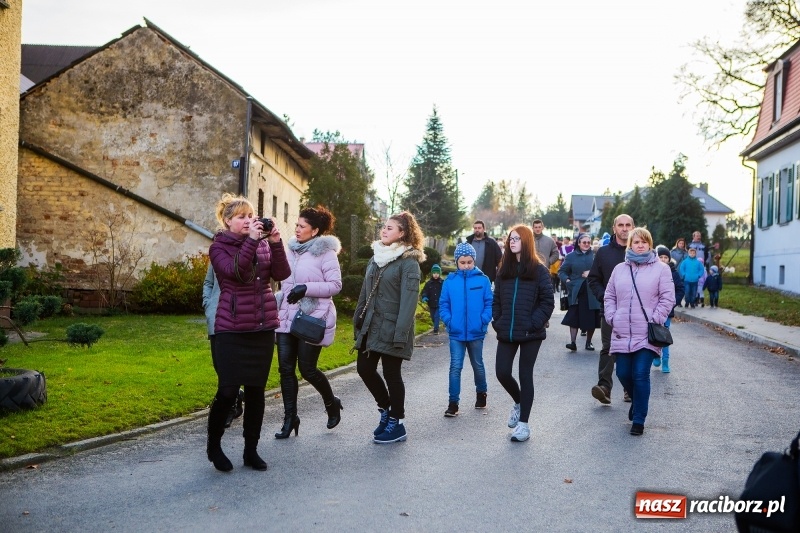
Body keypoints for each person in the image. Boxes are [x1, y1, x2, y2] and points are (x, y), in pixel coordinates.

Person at [207, 193, 290, 472]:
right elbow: (236, 272)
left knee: (256, 391)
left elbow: (282, 273)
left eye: (251, 215)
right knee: (228, 390)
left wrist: (275, 242)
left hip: (261, 327)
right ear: (227, 221)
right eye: (241, 216)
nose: (248, 220)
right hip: (231, 328)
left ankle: (250, 450)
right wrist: (252, 241)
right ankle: (214, 447)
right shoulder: (218, 247)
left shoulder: (262, 243)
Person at [354, 212, 426, 444]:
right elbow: (365, 292)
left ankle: (397, 422)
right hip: (371, 325)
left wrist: (400, 334)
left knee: (392, 374)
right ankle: (386, 409)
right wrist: (357, 320)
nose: (383, 231)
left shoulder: (409, 263)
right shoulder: (376, 257)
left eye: (390, 228)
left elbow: (409, 303)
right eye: (383, 227)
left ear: (402, 233)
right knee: (364, 368)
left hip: (394, 328)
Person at [274, 206, 343, 440]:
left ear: (314, 231)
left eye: (302, 226)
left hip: (310, 317)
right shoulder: (290, 249)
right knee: (285, 370)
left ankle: (331, 403)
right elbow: (282, 281)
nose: (297, 229)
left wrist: (306, 288)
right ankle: (290, 418)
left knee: (308, 370)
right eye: (296, 225)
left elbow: (335, 285)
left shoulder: (326, 253)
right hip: (286, 316)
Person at [604, 227, 675, 436]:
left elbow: (668, 298)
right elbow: (609, 296)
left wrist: (656, 318)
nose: (640, 245)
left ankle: (639, 419)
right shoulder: (619, 269)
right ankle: (637, 401)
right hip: (622, 331)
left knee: (641, 373)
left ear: (650, 244)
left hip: (646, 332)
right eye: (636, 242)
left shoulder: (661, 269)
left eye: (644, 242)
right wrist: (612, 316)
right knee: (622, 373)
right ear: (630, 245)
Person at [493, 224, 555, 442]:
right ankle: (519, 402)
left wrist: (533, 323)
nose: (512, 242)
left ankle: (523, 425)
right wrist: (498, 321)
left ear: (526, 242)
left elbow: (548, 302)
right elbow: (496, 300)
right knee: (502, 372)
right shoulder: (504, 270)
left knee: (525, 374)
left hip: (531, 333)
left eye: (517, 239)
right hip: (507, 330)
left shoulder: (539, 271)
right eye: (510, 239)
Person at [439, 242, 493, 416]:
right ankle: (453, 403)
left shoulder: (483, 280)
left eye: (469, 262)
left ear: (474, 261)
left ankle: (481, 393)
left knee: (477, 364)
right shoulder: (450, 281)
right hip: (456, 332)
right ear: (456, 262)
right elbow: (444, 304)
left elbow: (489, 303)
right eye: (462, 262)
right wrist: (449, 321)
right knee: (455, 367)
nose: (466, 266)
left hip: (476, 331)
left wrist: (483, 320)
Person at [587, 214, 634, 405]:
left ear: (633, 227)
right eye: (620, 225)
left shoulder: (639, 251)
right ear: (614, 228)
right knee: (608, 348)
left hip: (635, 312)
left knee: (631, 348)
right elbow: (593, 279)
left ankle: (629, 388)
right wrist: (604, 297)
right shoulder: (603, 253)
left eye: (628, 225)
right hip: (609, 310)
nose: (624, 228)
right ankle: (604, 387)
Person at [203, 264, 243, 428]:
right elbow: (208, 282)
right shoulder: (216, 255)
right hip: (216, 316)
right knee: (218, 365)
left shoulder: (245, 254)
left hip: (238, 319)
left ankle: (229, 408)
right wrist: (208, 303)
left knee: (230, 366)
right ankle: (237, 395)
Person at [558, 233, 601, 352]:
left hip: (592, 291)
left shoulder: (595, 255)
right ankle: (573, 342)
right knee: (574, 317)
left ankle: (588, 342)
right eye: (584, 242)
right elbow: (562, 271)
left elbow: (601, 270)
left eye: (588, 242)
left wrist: (591, 273)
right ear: (579, 243)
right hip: (576, 290)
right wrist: (567, 281)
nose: (587, 244)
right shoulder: (571, 256)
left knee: (592, 317)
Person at [654, 246, 685, 373]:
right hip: (653, 310)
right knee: (653, 333)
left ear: (669, 259)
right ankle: (656, 355)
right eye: (660, 257)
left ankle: (665, 360)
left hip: (667, 310)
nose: (663, 259)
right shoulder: (652, 271)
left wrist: (672, 302)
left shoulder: (674, 273)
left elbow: (680, 289)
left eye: (665, 257)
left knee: (664, 335)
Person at [421, 264, 444, 334]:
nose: (436, 275)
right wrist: (424, 297)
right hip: (431, 303)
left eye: (437, 273)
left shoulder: (443, 283)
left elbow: (446, 292)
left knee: (437, 316)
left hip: (440, 303)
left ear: (439, 273)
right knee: (433, 317)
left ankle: (436, 330)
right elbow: (424, 291)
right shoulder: (428, 284)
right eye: (434, 273)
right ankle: (436, 324)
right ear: (432, 274)